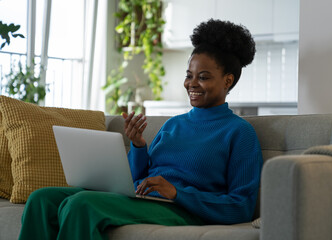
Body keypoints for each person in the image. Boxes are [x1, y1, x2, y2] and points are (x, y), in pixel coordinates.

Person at [18, 19, 263, 240]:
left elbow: (241, 206)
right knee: (41, 199)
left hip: (182, 209)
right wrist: (138, 146)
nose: (192, 84)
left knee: (81, 205)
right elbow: (136, 179)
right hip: (145, 200)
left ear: (227, 80)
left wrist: (177, 193)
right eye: (189, 75)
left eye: (203, 77)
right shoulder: (174, 124)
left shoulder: (239, 132)